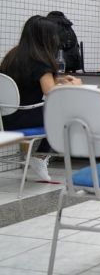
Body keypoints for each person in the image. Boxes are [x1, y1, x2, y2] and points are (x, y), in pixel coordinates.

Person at [0, 15, 82, 181]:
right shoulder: (40, 60)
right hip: (26, 119)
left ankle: (40, 157)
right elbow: (50, 92)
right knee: (68, 114)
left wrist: (57, 79)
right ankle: (41, 156)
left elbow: (26, 81)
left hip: (7, 119)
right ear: (45, 38)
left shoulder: (12, 56)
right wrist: (74, 84)